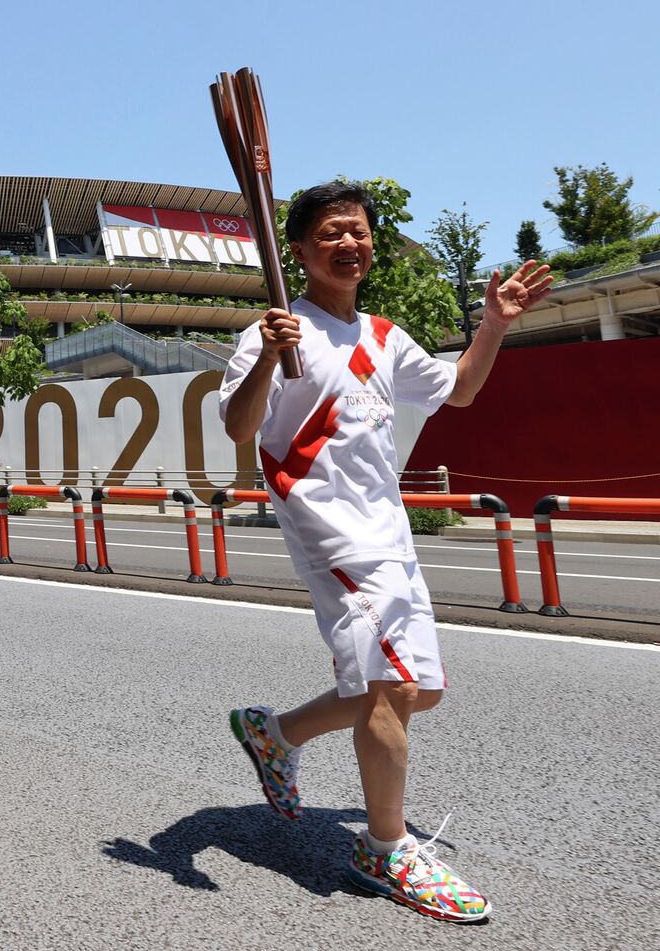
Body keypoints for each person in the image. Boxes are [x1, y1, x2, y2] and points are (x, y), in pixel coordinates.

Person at [218, 181, 551, 923]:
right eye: (333, 232)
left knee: (418, 690)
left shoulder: (383, 335)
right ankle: (385, 846)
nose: (350, 244)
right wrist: (272, 357)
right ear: (298, 250)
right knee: (390, 688)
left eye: (359, 232)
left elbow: (458, 391)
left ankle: (275, 734)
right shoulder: (275, 330)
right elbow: (242, 428)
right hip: (333, 533)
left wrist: (493, 325)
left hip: (390, 533)